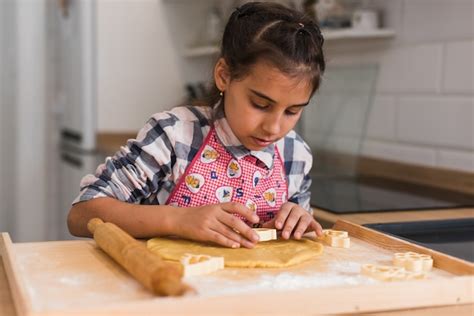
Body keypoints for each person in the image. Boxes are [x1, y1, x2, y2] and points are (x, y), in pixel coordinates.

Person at [67, 1, 326, 249]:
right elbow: (81, 215)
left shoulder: (296, 154)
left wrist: (297, 219)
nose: (273, 127)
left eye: (292, 111)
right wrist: (179, 220)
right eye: (260, 104)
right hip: (168, 284)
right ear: (224, 76)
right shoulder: (174, 135)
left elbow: (297, 232)